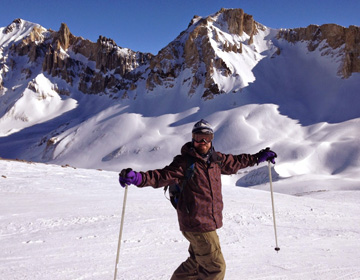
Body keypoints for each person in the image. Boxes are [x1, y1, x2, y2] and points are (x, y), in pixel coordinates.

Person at [119, 119, 277, 280]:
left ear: (212, 139)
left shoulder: (216, 160)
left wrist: (258, 157)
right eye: (198, 137)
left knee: (196, 262)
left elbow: (236, 162)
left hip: (205, 222)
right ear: (192, 139)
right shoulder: (185, 163)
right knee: (215, 267)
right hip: (198, 223)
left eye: (207, 138)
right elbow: (162, 176)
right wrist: (138, 178)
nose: (203, 142)